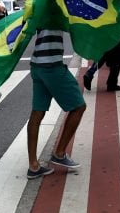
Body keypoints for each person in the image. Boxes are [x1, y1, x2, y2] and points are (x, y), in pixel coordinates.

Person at [26, 29, 87, 179]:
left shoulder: (39, 8)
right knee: (79, 106)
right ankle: (59, 153)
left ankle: (33, 166)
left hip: (37, 65)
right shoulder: (54, 7)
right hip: (51, 66)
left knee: (37, 112)